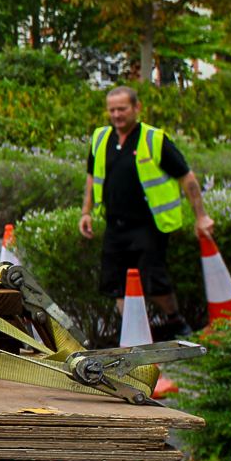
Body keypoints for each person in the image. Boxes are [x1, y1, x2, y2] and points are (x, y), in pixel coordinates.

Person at [78, 85, 213, 341]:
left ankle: (175, 320)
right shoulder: (100, 139)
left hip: (148, 225)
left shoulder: (154, 139)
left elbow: (187, 178)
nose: (117, 115)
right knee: (117, 284)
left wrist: (201, 216)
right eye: (112, 110)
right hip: (115, 225)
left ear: (136, 108)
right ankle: (135, 333)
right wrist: (86, 212)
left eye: (122, 109)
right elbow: (91, 177)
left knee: (154, 281)